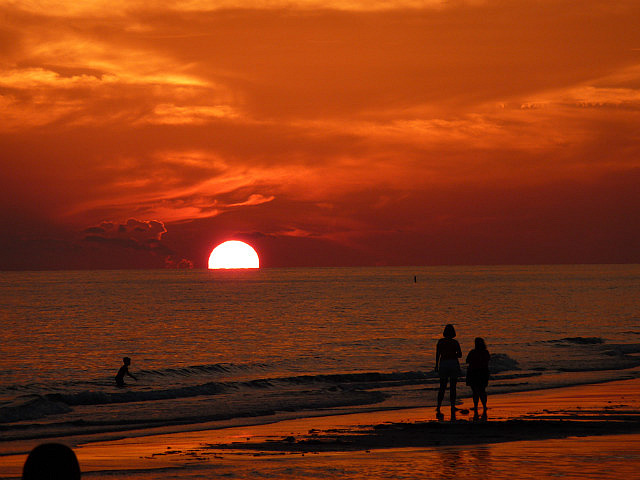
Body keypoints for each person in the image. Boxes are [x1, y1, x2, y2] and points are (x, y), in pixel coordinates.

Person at [435, 324, 462, 418]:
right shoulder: (455, 342)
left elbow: (438, 354)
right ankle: (452, 406)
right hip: (453, 364)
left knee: (442, 386)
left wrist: (436, 365)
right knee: (453, 387)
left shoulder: (440, 342)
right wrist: (453, 353)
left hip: (443, 364)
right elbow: (460, 355)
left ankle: (438, 406)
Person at [466, 337, 491, 418]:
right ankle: (484, 406)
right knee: (482, 390)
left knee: (475, 391)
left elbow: (467, 360)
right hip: (483, 372)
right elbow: (487, 360)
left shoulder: (473, 352)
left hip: (473, 372)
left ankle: (476, 406)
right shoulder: (485, 352)